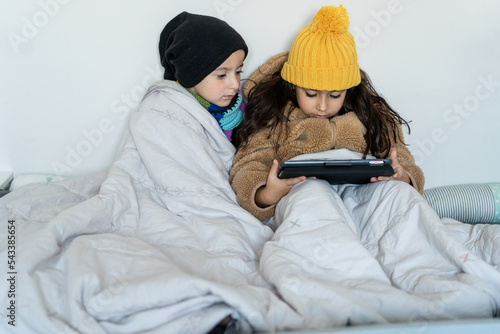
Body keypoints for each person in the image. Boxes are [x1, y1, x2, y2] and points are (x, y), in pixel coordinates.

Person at [230, 4, 424, 221]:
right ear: (294, 85)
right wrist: (266, 194)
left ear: (348, 89)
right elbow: (249, 166)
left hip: (365, 199)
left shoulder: (371, 115)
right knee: (313, 193)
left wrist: (404, 178)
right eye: (311, 94)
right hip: (308, 196)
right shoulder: (274, 117)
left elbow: (402, 159)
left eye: (334, 95)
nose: (322, 106)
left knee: (399, 196)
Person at [159, 11, 247, 142]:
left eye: (238, 72)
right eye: (222, 75)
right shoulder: (169, 118)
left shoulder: (244, 111)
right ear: (190, 75)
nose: (235, 84)